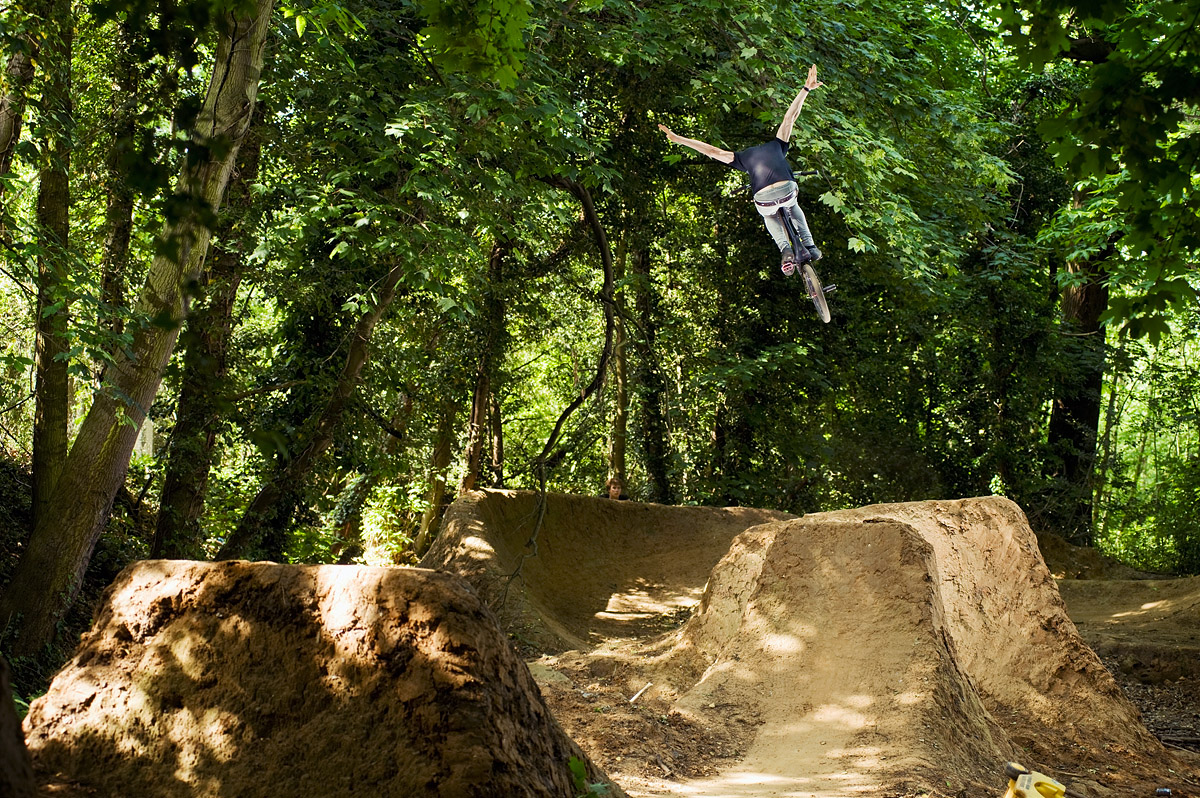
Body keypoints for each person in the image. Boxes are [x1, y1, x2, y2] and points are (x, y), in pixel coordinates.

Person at [658, 65, 825, 276]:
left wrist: (678, 139)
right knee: (793, 206)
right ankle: (810, 247)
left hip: (763, 198)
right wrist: (805, 89)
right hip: (787, 189)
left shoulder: (740, 158)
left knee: (769, 216)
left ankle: (785, 251)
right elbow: (790, 117)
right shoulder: (778, 144)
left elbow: (711, 150)